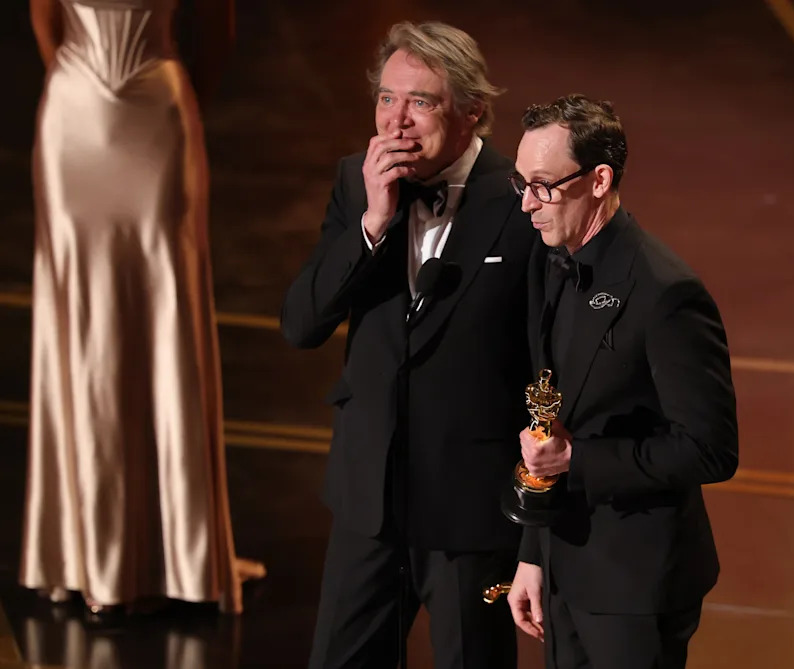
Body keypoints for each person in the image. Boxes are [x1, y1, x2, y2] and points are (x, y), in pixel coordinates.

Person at [280, 20, 536, 669]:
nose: (396, 122)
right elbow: (301, 323)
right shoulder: (355, 183)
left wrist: (537, 529)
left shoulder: (521, 203)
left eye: (420, 102)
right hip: (369, 505)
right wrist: (371, 223)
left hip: (471, 521)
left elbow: (547, 366)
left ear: (473, 111)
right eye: (387, 99)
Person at [22, 0, 263, 616]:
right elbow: (46, 22)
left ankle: (173, 553)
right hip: (88, 120)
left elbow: (215, 31)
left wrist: (138, 86)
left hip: (145, 114)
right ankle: (91, 553)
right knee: (92, 320)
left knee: (166, 316)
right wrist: (101, 81)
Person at [505, 95, 739, 669]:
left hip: (637, 588)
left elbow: (710, 451)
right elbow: (551, 420)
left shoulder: (665, 293)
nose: (528, 204)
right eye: (521, 183)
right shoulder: (553, 261)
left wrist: (575, 462)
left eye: (543, 185)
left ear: (599, 179)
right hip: (566, 565)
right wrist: (533, 554)